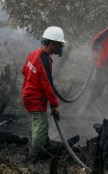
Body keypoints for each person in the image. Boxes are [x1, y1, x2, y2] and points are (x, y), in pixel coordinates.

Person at [21, 26, 65, 161]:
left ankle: (43, 145)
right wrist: (55, 105)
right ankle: (33, 157)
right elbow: (47, 86)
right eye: (59, 45)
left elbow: (24, 71)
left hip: (28, 94)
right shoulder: (44, 59)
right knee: (41, 126)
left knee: (38, 122)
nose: (59, 48)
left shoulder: (33, 53)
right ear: (51, 43)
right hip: (36, 98)